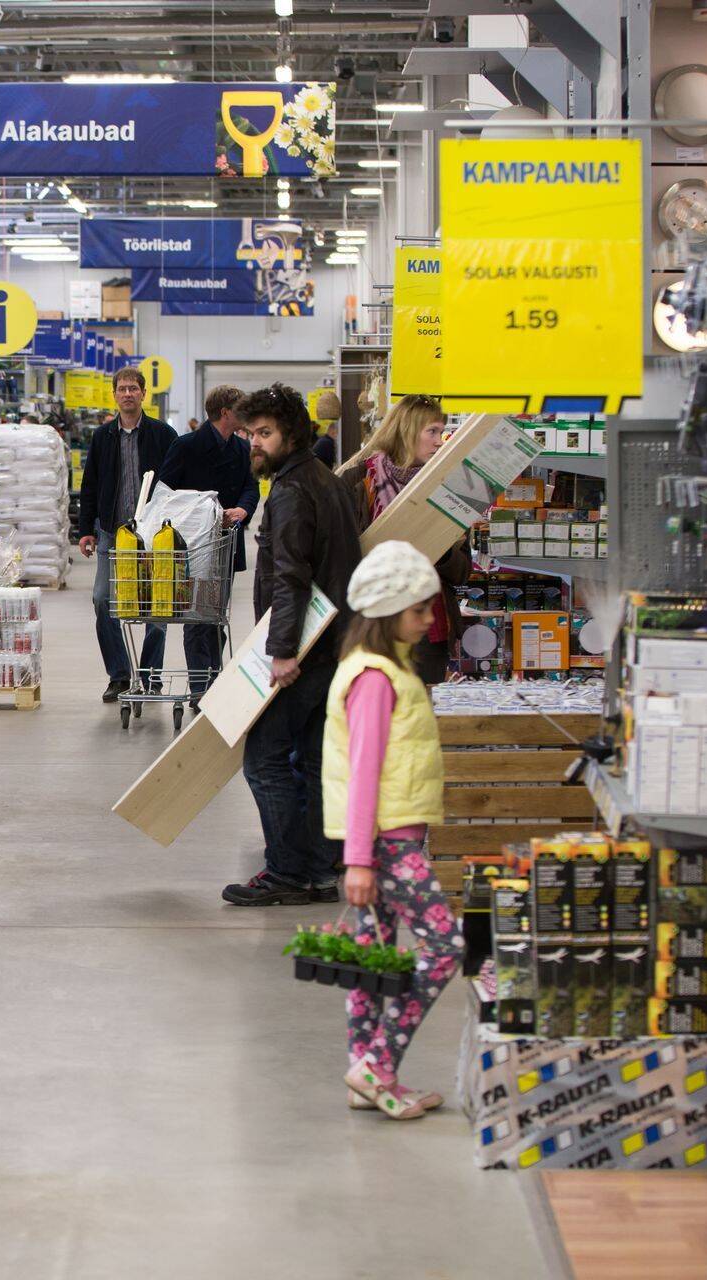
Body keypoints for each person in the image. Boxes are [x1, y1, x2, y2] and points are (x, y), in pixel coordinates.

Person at [326, 541, 460, 1120]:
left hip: (384, 838)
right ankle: (377, 1064)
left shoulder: (386, 668)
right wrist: (359, 859)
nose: (429, 620)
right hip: (386, 842)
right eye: (418, 611)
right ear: (387, 613)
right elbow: (363, 771)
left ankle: (365, 1073)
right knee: (444, 946)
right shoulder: (376, 679)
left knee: (373, 956)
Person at [221, 383, 362, 908]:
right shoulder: (324, 480)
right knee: (315, 761)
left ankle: (286, 872)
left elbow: (291, 578)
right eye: (250, 433)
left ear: (291, 435)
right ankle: (322, 869)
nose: (254, 443)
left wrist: (282, 653)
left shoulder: (292, 491)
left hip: (305, 650)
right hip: (335, 645)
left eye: (265, 433)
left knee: (265, 760)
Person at [341, 395, 469, 684]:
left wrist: (439, 549)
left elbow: (463, 572)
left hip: (427, 629)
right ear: (407, 430)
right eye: (432, 431)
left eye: (442, 431)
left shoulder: (448, 489)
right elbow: (340, 557)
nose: (440, 440)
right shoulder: (359, 482)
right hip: (373, 623)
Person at [75, 366, 177, 704]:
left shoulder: (163, 434)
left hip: (152, 535)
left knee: (157, 607)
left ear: (144, 393)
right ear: (115, 394)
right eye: (122, 389)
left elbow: (177, 482)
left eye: (134, 388)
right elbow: (89, 485)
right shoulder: (103, 437)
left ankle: (150, 678)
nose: (128, 394)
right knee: (102, 599)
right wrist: (85, 529)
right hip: (111, 533)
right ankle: (119, 675)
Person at [156, 384, 255, 704]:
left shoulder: (242, 450)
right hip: (194, 548)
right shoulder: (186, 446)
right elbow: (165, 494)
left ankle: (213, 679)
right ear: (226, 412)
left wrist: (244, 508)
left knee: (216, 617)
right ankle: (201, 689)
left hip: (226, 547)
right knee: (197, 619)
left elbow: (251, 488)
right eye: (241, 407)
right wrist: (201, 512)